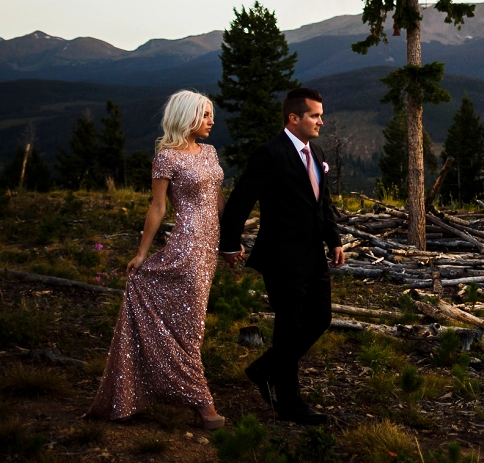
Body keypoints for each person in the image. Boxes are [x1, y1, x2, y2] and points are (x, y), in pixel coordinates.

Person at [90, 90, 226, 428]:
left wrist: (229, 243)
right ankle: (202, 403)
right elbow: (158, 207)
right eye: (205, 115)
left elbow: (218, 200)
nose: (212, 121)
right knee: (191, 327)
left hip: (210, 248)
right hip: (187, 246)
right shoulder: (167, 157)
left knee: (193, 323)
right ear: (187, 117)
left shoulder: (209, 153)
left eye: (211, 115)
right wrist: (141, 254)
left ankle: (169, 388)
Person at [218, 86, 343, 425]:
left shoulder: (314, 152)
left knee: (320, 318)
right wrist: (229, 243)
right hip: (281, 256)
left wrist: (334, 240)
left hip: (314, 255)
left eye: (320, 115)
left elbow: (323, 203)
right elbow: (242, 199)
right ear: (294, 118)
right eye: (315, 115)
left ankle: (265, 368)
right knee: (289, 328)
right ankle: (290, 404)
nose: (321, 121)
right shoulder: (270, 153)